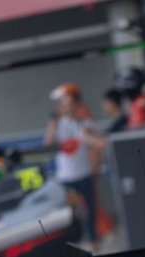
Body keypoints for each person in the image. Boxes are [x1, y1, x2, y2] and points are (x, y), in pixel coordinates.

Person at [44, 82, 103, 248]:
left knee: (90, 209)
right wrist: (52, 123)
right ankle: (74, 242)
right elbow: (48, 143)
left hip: (84, 175)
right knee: (70, 213)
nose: (66, 107)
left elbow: (100, 144)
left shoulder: (85, 123)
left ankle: (93, 240)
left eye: (69, 102)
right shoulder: (57, 124)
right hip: (67, 178)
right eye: (63, 103)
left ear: (76, 103)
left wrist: (95, 164)